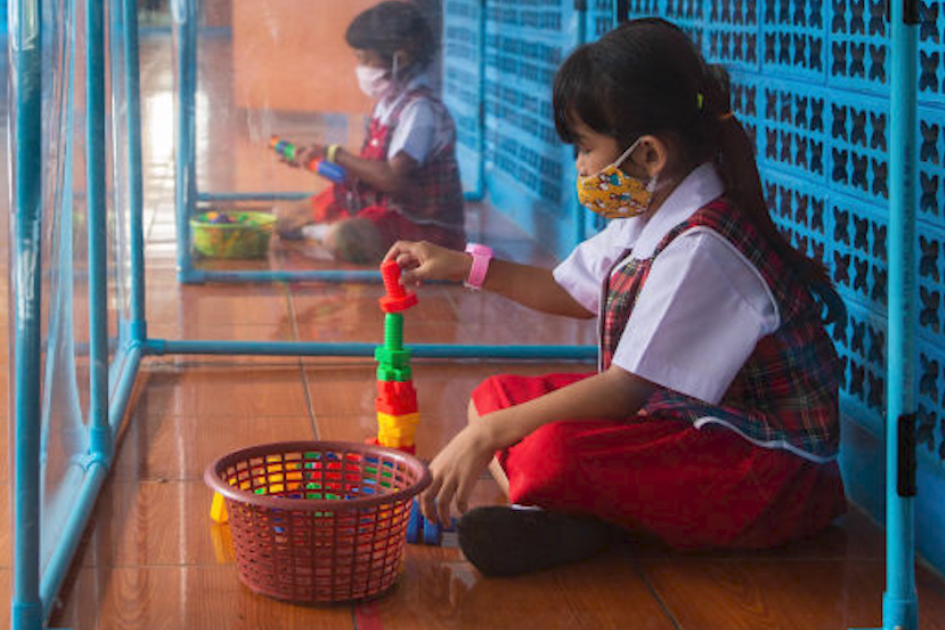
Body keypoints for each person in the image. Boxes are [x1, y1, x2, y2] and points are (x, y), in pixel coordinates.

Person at [386, 18, 848, 577]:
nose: (579, 165)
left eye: (585, 147)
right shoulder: (651, 211)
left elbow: (625, 389)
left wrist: (487, 438)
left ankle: (574, 517)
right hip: (690, 424)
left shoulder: (704, 247)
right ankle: (575, 517)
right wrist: (463, 266)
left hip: (770, 477)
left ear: (648, 155)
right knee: (495, 398)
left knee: (549, 451)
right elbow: (568, 289)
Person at [273, 0, 466, 263]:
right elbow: (367, 173)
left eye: (365, 59)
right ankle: (317, 232)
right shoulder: (389, 104)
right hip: (382, 207)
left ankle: (320, 234)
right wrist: (316, 161)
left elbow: (392, 179)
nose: (360, 68)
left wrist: (336, 153)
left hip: (420, 226)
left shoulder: (420, 111)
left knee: (344, 235)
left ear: (400, 58)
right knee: (284, 216)